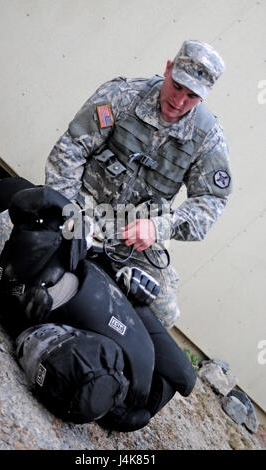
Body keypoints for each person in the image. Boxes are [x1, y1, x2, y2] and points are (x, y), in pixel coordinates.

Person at [44, 39, 232, 329]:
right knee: (2, 245)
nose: (179, 101)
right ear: (168, 68)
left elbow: (210, 204)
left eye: (192, 95)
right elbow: (71, 149)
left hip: (135, 237)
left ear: (206, 95)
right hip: (82, 210)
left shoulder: (207, 138)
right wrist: (69, 210)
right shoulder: (123, 95)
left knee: (164, 313)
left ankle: (95, 311)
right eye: (177, 85)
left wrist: (159, 227)